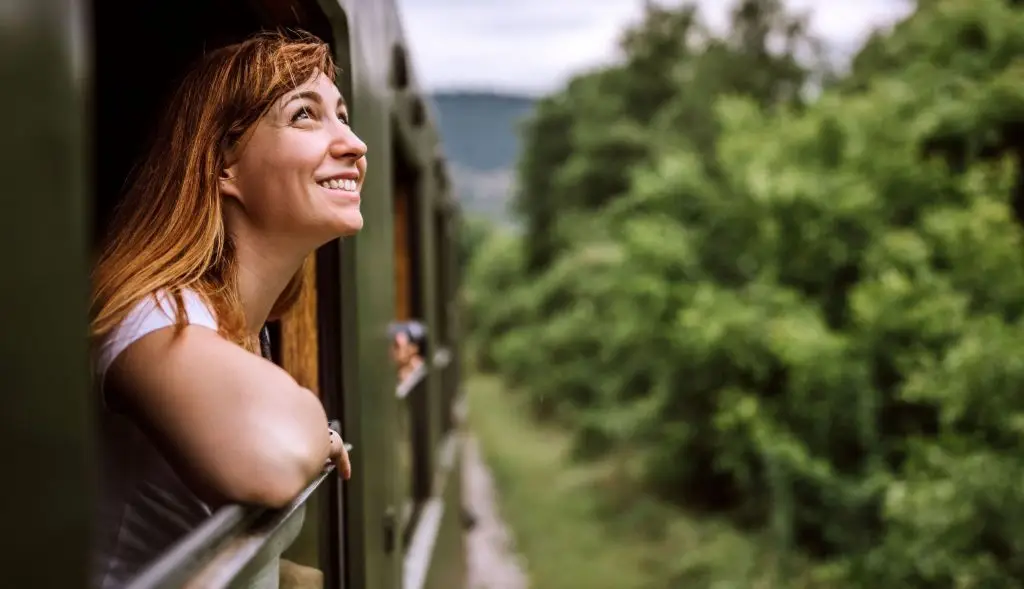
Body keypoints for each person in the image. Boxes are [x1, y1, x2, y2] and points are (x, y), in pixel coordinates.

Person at [88, 30, 364, 589]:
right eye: (306, 116)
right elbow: (272, 455)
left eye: (343, 114)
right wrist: (319, 428)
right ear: (222, 166)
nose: (354, 143)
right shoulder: (156, 313)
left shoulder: (232, 324)